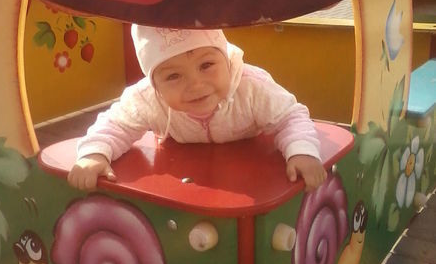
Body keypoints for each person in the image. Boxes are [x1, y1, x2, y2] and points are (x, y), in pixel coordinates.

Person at [68, 26, 327, 191]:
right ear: (155, 85)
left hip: (248, 175)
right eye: (173, 76)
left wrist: (302, 151)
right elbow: (116, 123)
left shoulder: (251, 87)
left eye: (206, 65)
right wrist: (95, 153)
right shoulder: (148, 99)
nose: (195, 84)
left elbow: (289, 116)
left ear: (225, 60)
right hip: (185, 180)